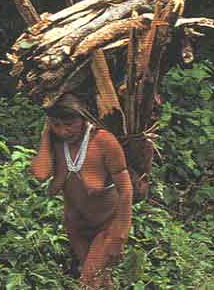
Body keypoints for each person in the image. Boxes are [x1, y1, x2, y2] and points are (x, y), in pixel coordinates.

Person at [29, 93, 133, 289]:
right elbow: (40, 174)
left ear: (83, 118)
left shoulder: (103, 141)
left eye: (69, 124)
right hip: (77, 227)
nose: (63, 131)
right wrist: (46, 134)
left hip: (106, 226)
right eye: (56, 124)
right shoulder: (58, 143)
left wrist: (120, 233)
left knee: (87, 282)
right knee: (99, 282)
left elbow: (126, 189)